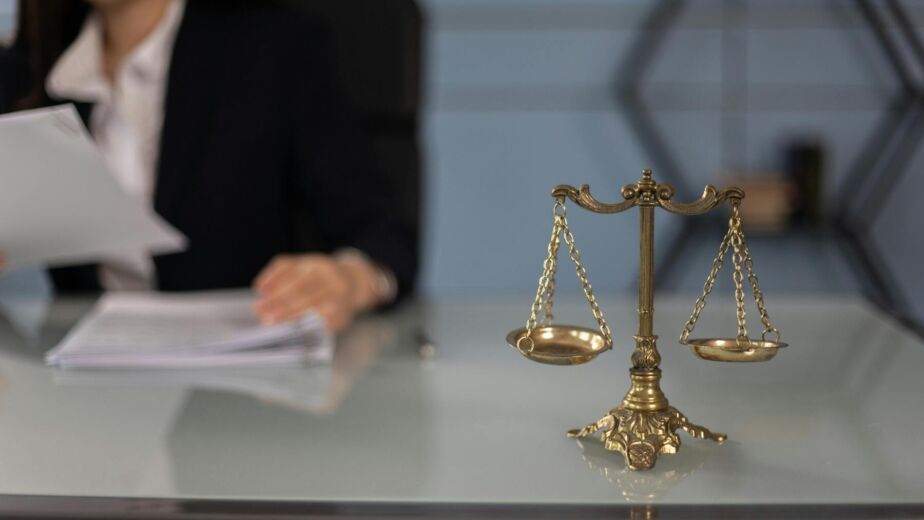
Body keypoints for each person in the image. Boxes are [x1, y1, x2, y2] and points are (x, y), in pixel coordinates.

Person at [0, 0, 418, 331]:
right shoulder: (27, 72)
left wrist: (349, 279)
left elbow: (383, 234)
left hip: (242, 375)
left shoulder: (274, 46)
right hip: (80, 378)